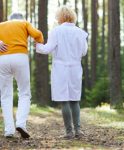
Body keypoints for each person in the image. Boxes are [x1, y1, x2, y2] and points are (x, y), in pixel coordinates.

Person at [36, 6, 88, 139]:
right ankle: (78, 131)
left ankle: (69, 132)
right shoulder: (81, 33)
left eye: (57, 16)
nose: (56, 18)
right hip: (75, 68)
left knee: (64, 100)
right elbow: (84, 52)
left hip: (60, 68)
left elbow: (47, 49)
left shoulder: (56, 31)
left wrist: (37, 44)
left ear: (61, 17)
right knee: (75, 100)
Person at [0, 13, 44, 138]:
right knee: (24, 92)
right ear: (21, 18)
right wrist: (39, 41)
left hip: (2, 58)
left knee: (5, 95)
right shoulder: (24, 23)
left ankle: (9, 130)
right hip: (20, 57)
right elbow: (37, 34)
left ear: (9, 19)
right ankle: (21, 123)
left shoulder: (1, 25)